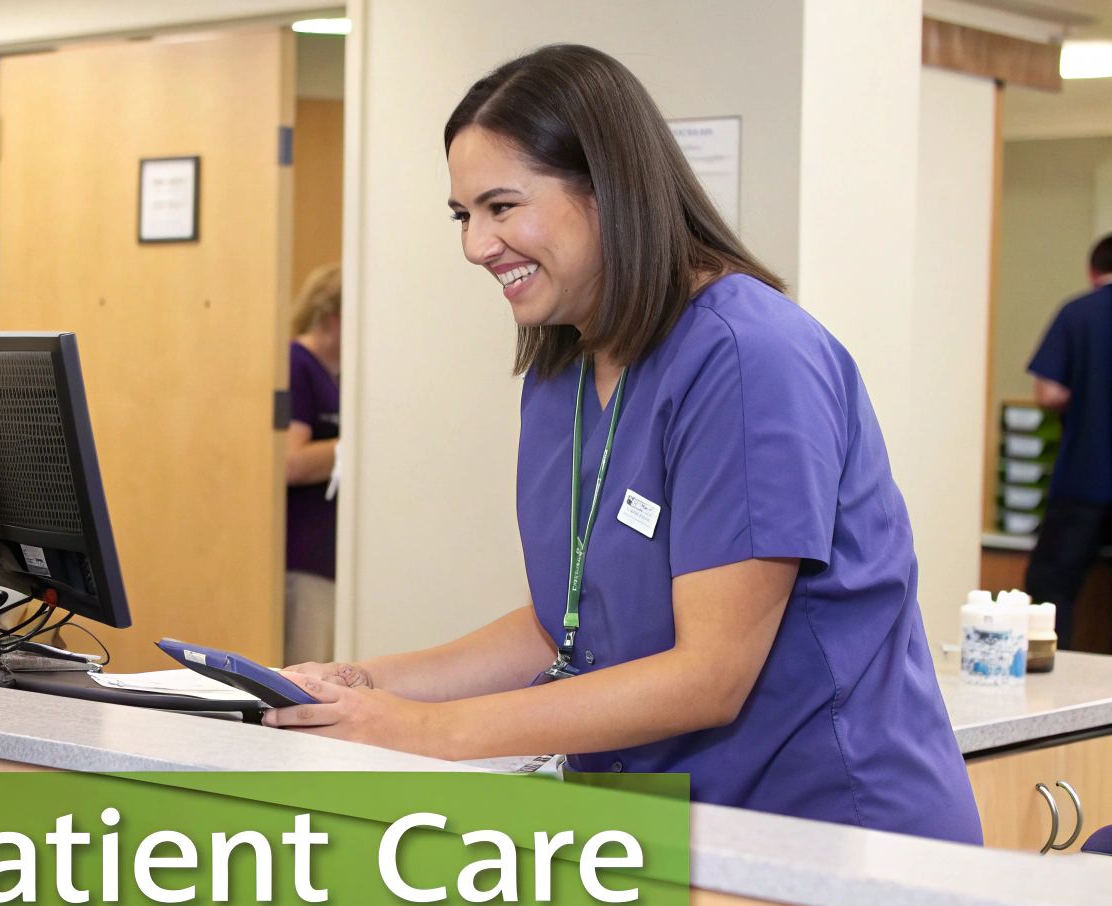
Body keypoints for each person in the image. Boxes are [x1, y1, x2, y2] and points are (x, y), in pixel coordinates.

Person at [262, 44, 982, 844]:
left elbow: (709, 675)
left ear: (607, 189)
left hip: (825, 829)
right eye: (464, 215)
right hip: (659, 826)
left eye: (502, 207)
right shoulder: (565, 368)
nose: (476, 245)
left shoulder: (748, 357)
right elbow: (563, 623)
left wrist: (427, 734)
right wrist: (363, 685)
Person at [1024, 234, 1112, 649]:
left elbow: (1049, 393)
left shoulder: (1079, 314)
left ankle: (1060, 690)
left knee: (1051, 592)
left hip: (1086, 478)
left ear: (1093, 271)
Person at [285, 263, 342, 665]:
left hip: (327, 558)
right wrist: (358, 447)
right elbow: (290, 461)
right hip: (302, 558)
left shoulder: (337, 375)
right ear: (332, 316)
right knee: (305, 672)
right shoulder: (297, 363)